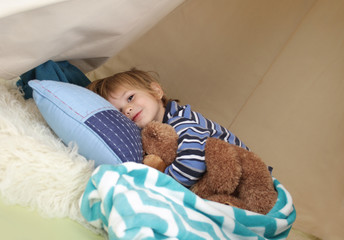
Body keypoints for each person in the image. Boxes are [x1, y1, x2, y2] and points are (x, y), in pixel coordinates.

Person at [87, 68, 249, 188]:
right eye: (120, 112)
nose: (127, 109)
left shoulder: (182, 121)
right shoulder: (149, 137)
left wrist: (161, 183)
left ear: (156, 91)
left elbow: (193, 163)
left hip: (246, 177)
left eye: (130, 98)